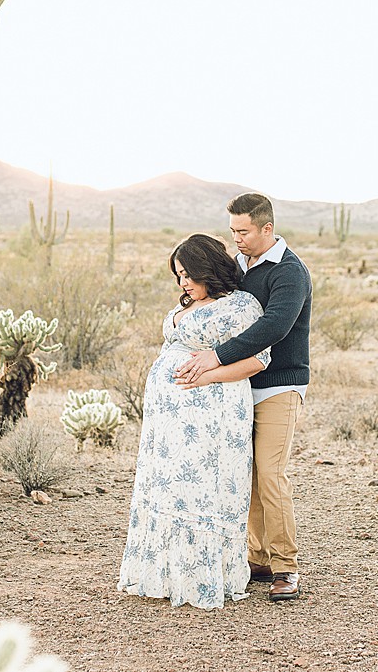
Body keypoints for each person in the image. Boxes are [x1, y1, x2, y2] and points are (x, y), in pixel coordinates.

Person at [117, 233, 270, 609]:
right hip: (168, 420)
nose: (183, 283)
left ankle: (201, 577)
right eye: (178, 276)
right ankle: (166, 574)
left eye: (188, 274)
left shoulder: (240, 306)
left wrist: (206, 376)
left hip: (212, 414)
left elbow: (259, 359)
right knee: (167, 486)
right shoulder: (188, 302)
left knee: (200, 488)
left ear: (208, 269)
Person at [176, 193, 312, 602]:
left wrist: (215, 356)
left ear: (267, 228)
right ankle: (259, 557)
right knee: (245, 473)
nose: (236, 238)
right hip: (236, 386)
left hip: (279, 384)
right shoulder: (238, 267)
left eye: (244, 231)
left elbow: (273, 327)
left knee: (271, 474)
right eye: (232, 230)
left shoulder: (290, 273)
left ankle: (286, 567)